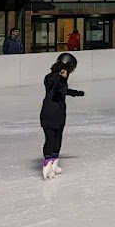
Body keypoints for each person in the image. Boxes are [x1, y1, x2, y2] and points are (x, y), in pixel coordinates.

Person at [40, 52, 84, 180]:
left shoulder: (55, 77)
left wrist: (76, 93)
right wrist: (62, 78)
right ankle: (47, 163)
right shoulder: (52, 77)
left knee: (57, 137)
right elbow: (57, 87)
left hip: (56, 113)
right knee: (51, 138)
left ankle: (53, 163)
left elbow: (62, 90)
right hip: (52, 113)